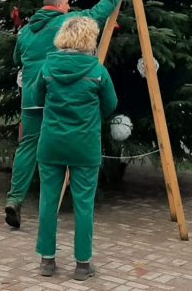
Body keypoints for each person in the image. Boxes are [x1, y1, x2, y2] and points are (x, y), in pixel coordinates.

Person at [5, 0, 131, 230]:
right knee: (63, 142)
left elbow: (17, 59)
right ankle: (67, 200)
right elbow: (96, 14)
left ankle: (14, 198)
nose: (69, 8)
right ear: (60, 6)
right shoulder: (67, 22)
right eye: (67, 5)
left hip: (30, 99)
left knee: (28, 146)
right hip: (56, 96)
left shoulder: (26, 31)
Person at [34, 16, 118, 281]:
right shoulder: (97, 71)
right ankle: (83, 264)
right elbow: (111, 105)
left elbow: (36, 98)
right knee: (84, 204)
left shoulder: (48, 67)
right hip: (84, 145)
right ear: (88, 39)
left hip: (51, 143)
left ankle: (47, 261)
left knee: (48, 201)